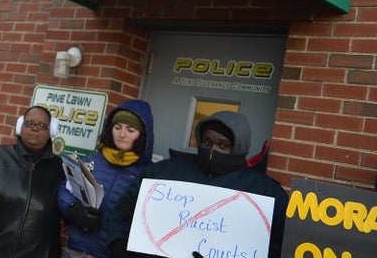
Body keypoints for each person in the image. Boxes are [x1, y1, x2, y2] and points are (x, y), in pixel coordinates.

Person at [106, 110, 288, 258]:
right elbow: (122, 213)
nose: (212, 150)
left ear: (239, 147)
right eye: (207, 142)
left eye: (223, 145)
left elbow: (279, 246)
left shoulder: (266, 192)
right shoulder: (161, 172)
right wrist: (119, 245)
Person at [0, 105, 66, 258]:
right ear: (20, 126)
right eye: (29, 123)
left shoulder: (59, 169)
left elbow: (59, 222)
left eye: (42, 125)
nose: (35, 128)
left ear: (51, 131)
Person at [58, 100, 154, 258]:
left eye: (130, 130)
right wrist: (73, 209)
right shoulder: (92, 160)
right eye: (117, 128)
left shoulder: (148, 173)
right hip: (75, 250)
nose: (122, 135)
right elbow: (65, 189)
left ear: (142, 135)